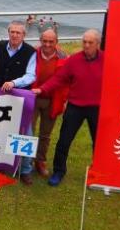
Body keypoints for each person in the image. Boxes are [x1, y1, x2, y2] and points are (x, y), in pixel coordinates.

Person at [34, 29, 104, 187]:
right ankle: (59, 171)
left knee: (98, 142)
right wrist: (42, 89)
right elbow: (59, 79)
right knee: (64, 141)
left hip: (97, 107)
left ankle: (98, 172)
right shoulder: (73, 60)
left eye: (90, 42)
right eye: (84, 42)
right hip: (75, 106)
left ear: (97, 44)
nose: (86, 45)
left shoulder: (106, 59)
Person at [0, 20, 37, 184]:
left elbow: (31, 75)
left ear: (24, 35)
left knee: (25, 132)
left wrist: (14, 82)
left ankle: (26, 169)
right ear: (8, 33)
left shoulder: (30, 52)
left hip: (19, 98)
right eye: (12, 32)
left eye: (18, 33)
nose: (14, 35)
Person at [30, 28, 68, 177]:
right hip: (33, 98)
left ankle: (40, 161)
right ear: (40, 40)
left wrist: (64, 101)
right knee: (29, 131)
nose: (47, 44)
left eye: (51, 41)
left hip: (52, 99)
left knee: (45, 134)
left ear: (56, 42)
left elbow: (66, 82)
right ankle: (26, 162)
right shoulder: (33, 53)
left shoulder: (64, 56)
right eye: (44, 41)